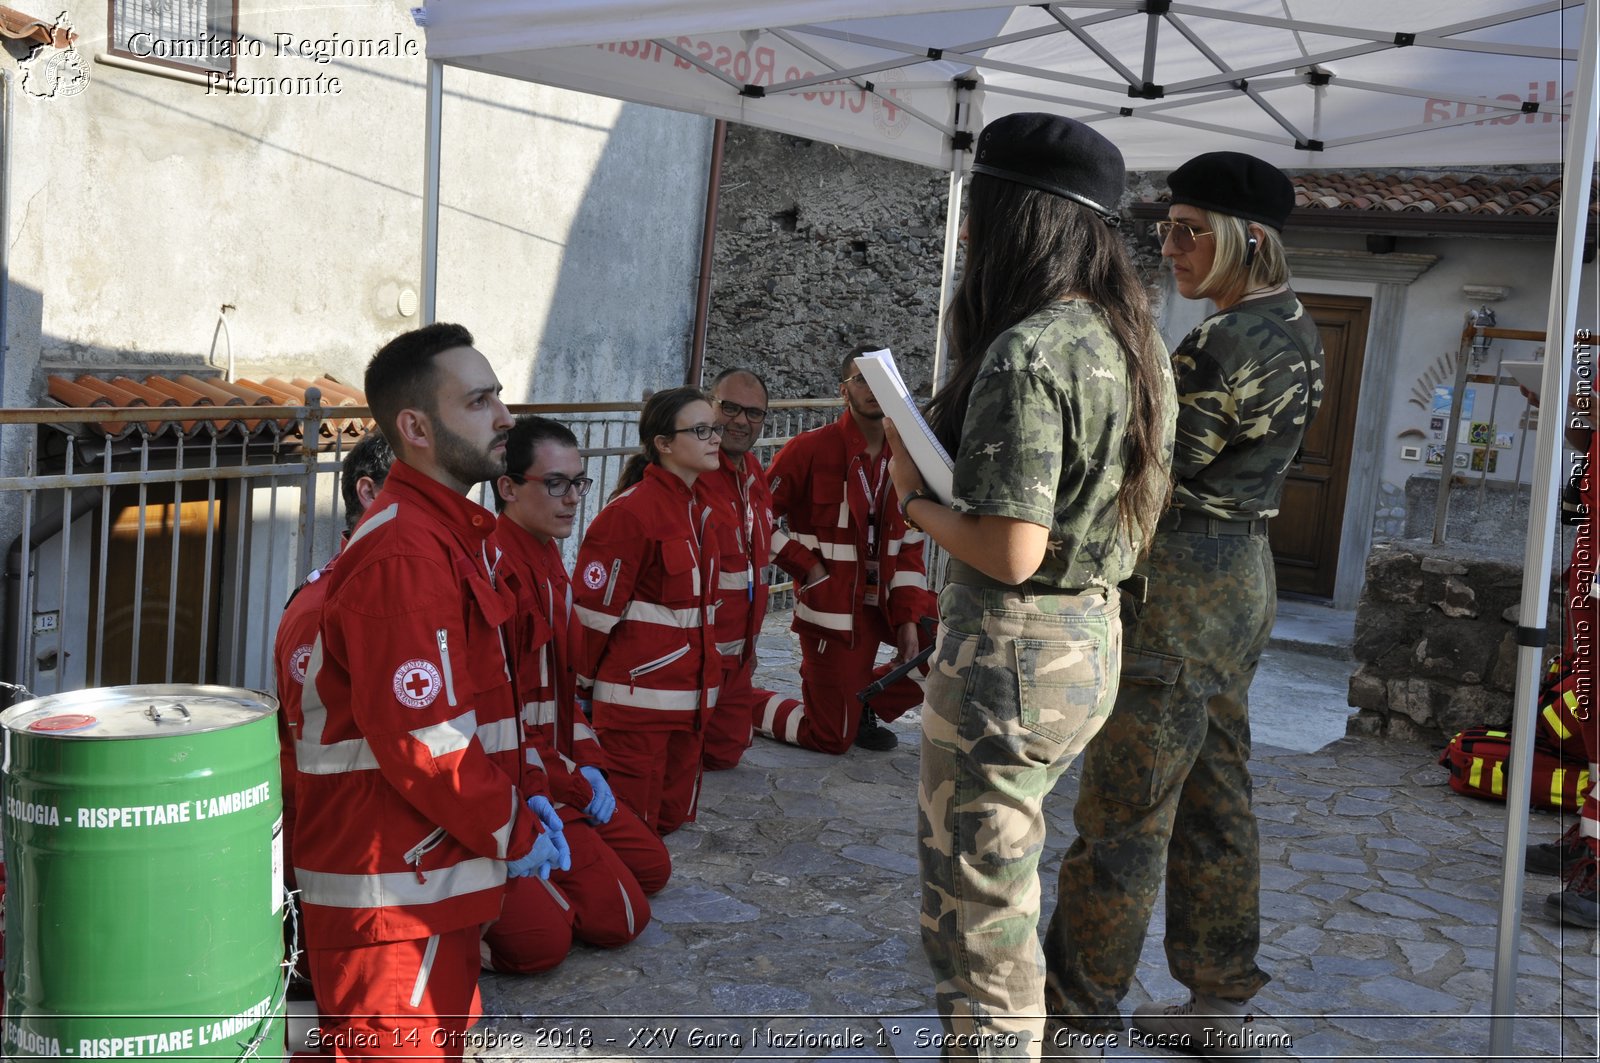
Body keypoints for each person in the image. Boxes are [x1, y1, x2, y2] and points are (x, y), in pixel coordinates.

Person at [884, 112, 1174, 1061]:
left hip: (1009, 654)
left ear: (1019, 221)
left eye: (981, 215)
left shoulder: (1032, 349)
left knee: (977, 909)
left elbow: (1009, 548)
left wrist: (911, 497)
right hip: (1086, 640)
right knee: (1007, 878)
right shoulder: (1134, 341)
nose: (969, 238)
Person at [1044, 151, 1324, 1059]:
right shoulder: (1294, 328)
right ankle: (1218, 999)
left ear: (1249, 238)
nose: (1170, 248)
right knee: (1214, 791)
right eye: (1166, 229)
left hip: (1185, 582)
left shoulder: (1230, 342)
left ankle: (1073, 1012)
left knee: (1124, 810)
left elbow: (1154, 472)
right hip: (1238, 575)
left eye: (1190, 229)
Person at [294, 323, 569, 1060]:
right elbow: (426, 742)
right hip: (389, 895)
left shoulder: (448, 534)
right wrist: (515, 825)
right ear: (415, 427)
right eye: (479, 400)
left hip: (427, 871)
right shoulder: (408, 551)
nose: (505, 417)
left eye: (499, 396)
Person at [491, 414, 674, 961]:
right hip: (526, 778)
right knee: (616, 920)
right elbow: (503, 714)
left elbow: (564, 691)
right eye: (555, 484)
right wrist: (563, 784)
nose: (572, 498)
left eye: (579, 482)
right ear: (507, 487)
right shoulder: (499, 569)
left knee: (653, 869)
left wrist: (587, 760)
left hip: (561, 765)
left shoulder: (547, 554)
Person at [762, 346, 938, 754]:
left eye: (882, 382)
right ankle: (743, 707)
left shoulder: (909, 458)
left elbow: (911, 544)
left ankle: (866, 702)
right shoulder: (807, 450)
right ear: (844, 392)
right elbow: (756, 518)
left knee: (955, 641)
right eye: (862, 380)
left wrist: (909, 618)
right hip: (834, 606)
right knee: (829, 738)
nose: (873, 389)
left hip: (890, 601)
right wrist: (807, 568)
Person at [572, 386, 723, 834]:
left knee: (669, 823)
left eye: (713, 428)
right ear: (663, 443)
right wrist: (582, 692)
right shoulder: (632, 513)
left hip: (689, 705)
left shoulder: (697, 509)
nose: (715, 437)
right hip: (636, 712)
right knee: (632, 837)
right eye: (700, 430)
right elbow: (591, 618)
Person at [699, 368, 819, 769]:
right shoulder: (690, 468)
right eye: (729, 407)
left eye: (753, 413)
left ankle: (731, 699)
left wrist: (806, 564)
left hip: (736, 649)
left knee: (726, 752)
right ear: (709, 405)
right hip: (691, 650)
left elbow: (761, 528)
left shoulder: (751, 470)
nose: (740, 420)